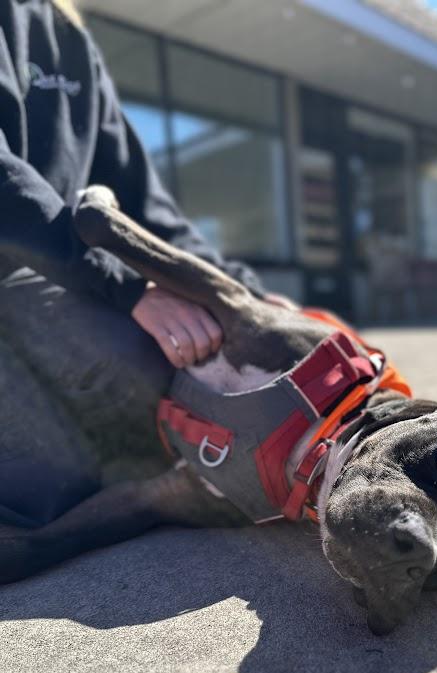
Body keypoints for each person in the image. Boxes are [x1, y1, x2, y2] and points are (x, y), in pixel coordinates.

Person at [0, 0, 266, 528]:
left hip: (70, 274)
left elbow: (145, 204)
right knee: (130, 367)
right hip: (17, 273)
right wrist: (130, 289)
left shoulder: (69, 35)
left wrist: (244, 297)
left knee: (208, 346)